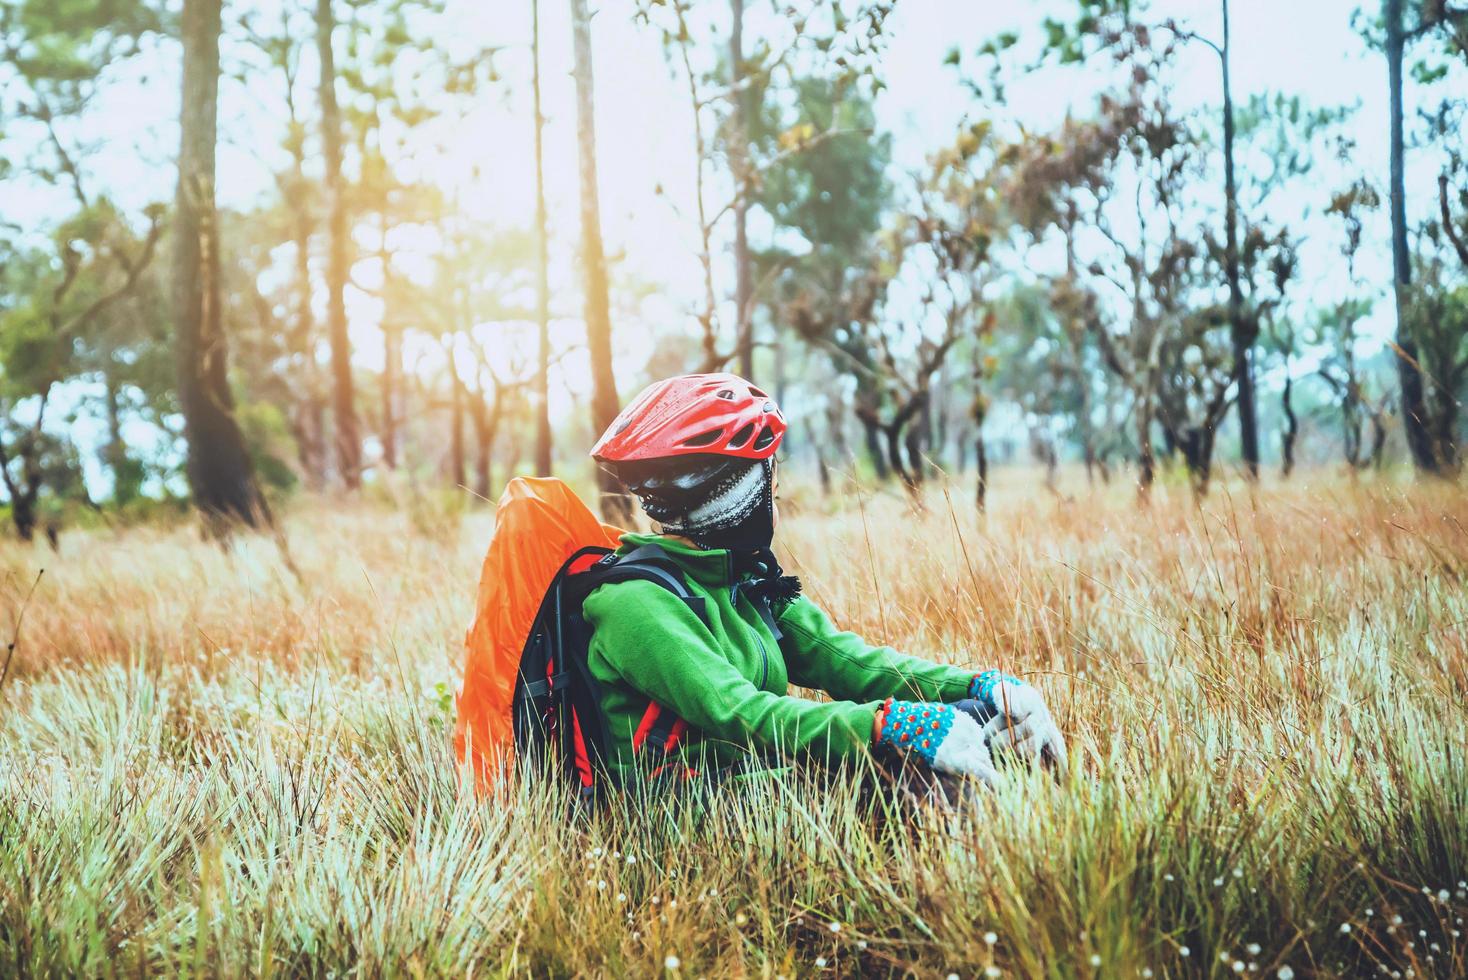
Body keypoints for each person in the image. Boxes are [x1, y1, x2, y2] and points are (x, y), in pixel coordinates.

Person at [583, 372, 1066, 789]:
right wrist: (886, 728)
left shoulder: (745, 581)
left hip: (757, 777)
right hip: (686, 807)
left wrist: (983, 688)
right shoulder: (635, 603)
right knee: (915, 774)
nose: (773, 493)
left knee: (987, 727)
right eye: (765, 477)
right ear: (729, 494)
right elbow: (739, 713)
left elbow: (853, 665)